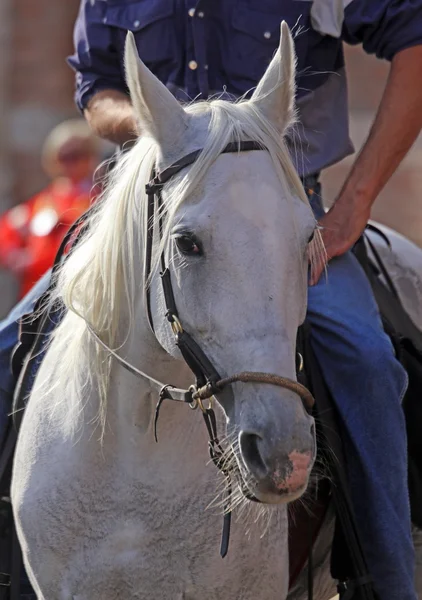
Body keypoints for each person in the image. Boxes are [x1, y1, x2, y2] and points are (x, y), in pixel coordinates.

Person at [2, 2, 422, 598]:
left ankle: (389, 581)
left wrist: (358, 198)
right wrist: (169, 125)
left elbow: (415, 33)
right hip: (154, 212)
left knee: (366, 361)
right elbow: (96, 90)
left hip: (278, 219)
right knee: (7, 348)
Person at [0, 119, 102, 298]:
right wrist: (13, 255)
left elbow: (74, 248)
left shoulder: (97, 199)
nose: (70, 163)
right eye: (64, 157)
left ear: (91, 156)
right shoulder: (45, 200)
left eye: (78, 155)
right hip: (36, 294)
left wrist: (34, 262)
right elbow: (7, 228)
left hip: (77, 292)